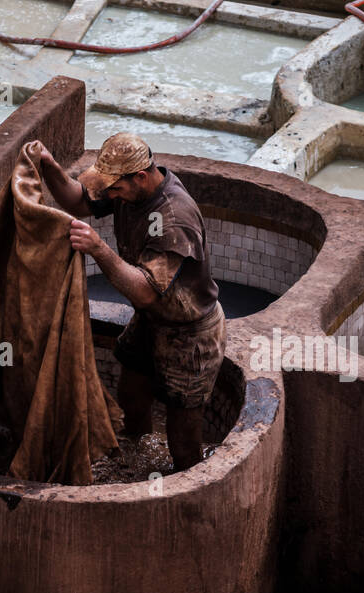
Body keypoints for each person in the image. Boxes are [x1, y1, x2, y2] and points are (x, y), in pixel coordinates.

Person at [37, 132, 225, 471]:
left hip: (189, 330)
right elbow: (80, 202)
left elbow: (145, 291)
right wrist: (49, 167)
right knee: (131, 392)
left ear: (140, 176)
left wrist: (98, 248)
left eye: (116, 189)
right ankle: (140, 459)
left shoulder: (174, 219)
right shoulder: (131, 189)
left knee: (183, 433)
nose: (110, 196)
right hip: (152, 318)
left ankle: (183, 488)